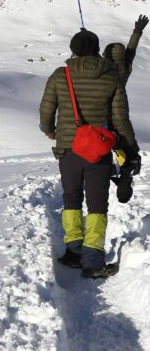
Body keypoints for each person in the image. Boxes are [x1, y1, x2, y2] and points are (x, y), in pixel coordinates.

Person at [40, 28, 138, 278]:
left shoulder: (61, 75)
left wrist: (50, 131)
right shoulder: (111, 77)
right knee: (97, 204)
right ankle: (93, 261)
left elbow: (46, 110)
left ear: (73, 50)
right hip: (98, 151)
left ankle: (73, 252)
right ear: (97, 50)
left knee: (71, 198)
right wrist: (131, 149)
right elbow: (121, 119)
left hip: (68, 148)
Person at [103, 14, 147, 202]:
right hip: (120, 112)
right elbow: (131, 49)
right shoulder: (125, 67)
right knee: (124, 148)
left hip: (103, 114)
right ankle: (124, 172)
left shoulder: (104, 69)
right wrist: (138, 31)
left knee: (101, 146)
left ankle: (106, 174)